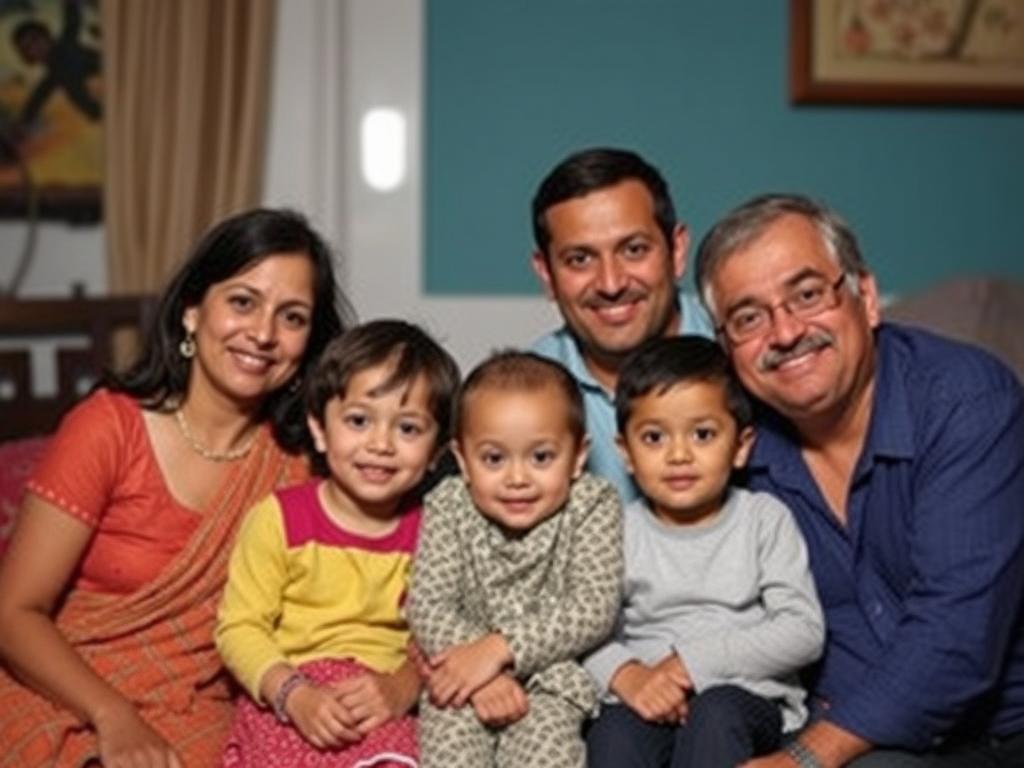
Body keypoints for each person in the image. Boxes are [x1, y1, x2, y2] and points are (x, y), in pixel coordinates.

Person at [0, 208, 348, 768]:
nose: (262, 333)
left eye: (292, 317)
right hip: (58, 686)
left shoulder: (303, 463)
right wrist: (113, 717)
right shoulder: (108, 428)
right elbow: (13, 613)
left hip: (197, 706)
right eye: (242, 301)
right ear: (192, 310)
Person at [695, 194, 1024, 767]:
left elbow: (955, 636)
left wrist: (803, 758)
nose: (786, 332)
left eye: (806, 294)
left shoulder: (965, 400)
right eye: (749, 317)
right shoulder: (732, 449)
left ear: (865, 297)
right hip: (832, 728)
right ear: (727, 348)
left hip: (995, 736)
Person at [216, 319, 460, 768]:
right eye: (359, 421)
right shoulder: (280, 519)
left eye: (408, 429)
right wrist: (293, 694)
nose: (380, 444)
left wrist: (402, 688)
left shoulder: (437, 534)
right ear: (320, 429)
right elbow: (239, 628)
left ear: (437, 454)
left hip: (380, 704)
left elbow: (445, 637)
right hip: (291, 698)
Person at [585, 335, 825, 768]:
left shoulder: (763, 519)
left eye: (702, 434)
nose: (679, 454)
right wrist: (628, 676)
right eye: (654, 437)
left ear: (741, 445)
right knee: (614, 732)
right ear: (626, 453)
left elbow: (803, 630)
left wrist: (688, 665)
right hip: (647, 698)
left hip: (746, 699)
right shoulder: (615, 529)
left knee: (714, 715)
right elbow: (584, 632)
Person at [408, 351, 623, 768]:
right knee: (450, 754)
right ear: (463, 459)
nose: (517, 478)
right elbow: (428, 604)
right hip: (460, 680)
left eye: (541, 457)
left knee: (547, 756)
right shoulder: (450, 504)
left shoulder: (593, 503)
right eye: (493, 459)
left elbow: (593, 607)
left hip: (551, 685)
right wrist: (478, 672)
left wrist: (499, 650)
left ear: (578, 456)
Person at [530, 147, 713, 503]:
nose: (611, 284)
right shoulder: (525, 394)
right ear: (546, 274)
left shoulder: (742, 355)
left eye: (634, 250)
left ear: (676, 251)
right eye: (580, 259)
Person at [12, 0, 102, 128]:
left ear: (46, 36)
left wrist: (70, 4)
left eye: (35, 39)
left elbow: (72, 22)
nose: (35, 47)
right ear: (28, 56)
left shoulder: (66, 43)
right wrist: (26, 117)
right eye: (28, 47)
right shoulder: (54, 74)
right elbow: (40, 94)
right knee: (66, 82)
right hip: (99, 105)